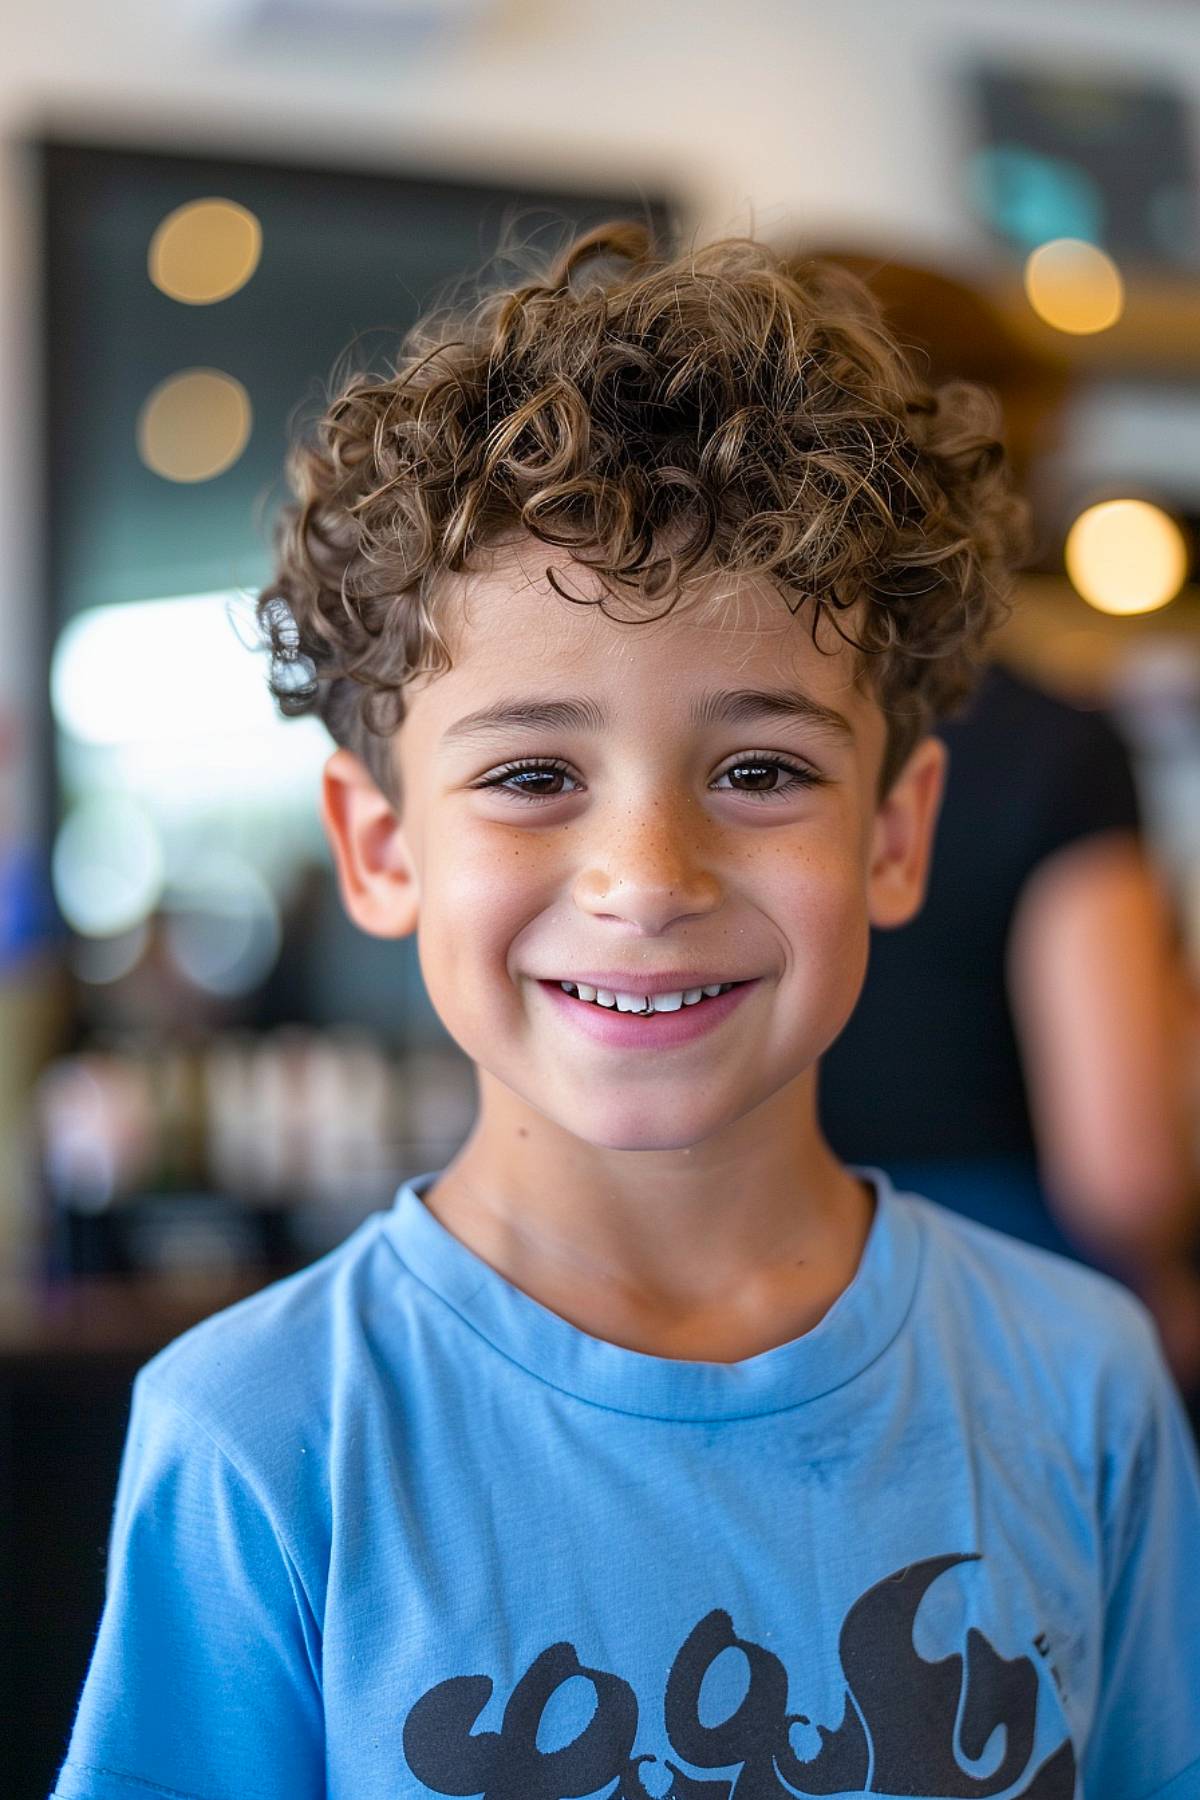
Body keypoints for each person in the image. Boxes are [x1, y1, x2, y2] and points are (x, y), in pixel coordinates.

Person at [53, 223, 1200, 1800]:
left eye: (761, 771)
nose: (646, 878)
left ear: (894, 832)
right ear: (382, 848)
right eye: (532, 776)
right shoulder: (262, 1441)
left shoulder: (1084, 1387)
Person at [805, 255, 1200, 1397]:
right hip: (1001, 1310)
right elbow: (1122, 1171)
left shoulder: (707, 730)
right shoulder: (1052, 742)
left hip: (758, 1288)